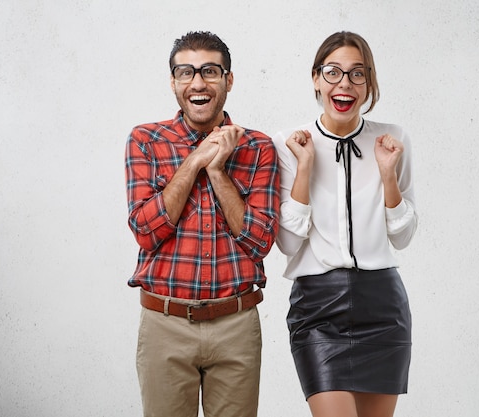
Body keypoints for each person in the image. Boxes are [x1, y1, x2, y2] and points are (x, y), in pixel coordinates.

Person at [124, 31, 280, 417]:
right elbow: (146, 232)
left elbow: (260, 241)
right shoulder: (145, 140)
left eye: (210, 71)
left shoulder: (258, 147)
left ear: (228, 80)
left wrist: (216, 170)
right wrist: (194, 161)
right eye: (186, 72)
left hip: (236, 325)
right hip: (165, 323)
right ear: (173, 81)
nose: (198, 83)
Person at [272, 31, 418, 417]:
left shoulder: (392, 140)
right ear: (316, 78)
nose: (344, 84)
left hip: (383, 305)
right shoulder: (288, 143)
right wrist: (304, 167)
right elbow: (287, 242)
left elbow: (402, 236)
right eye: (333, 72)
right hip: (317, 308)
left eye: (357, 74)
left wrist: (388, 175)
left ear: (369, 82)